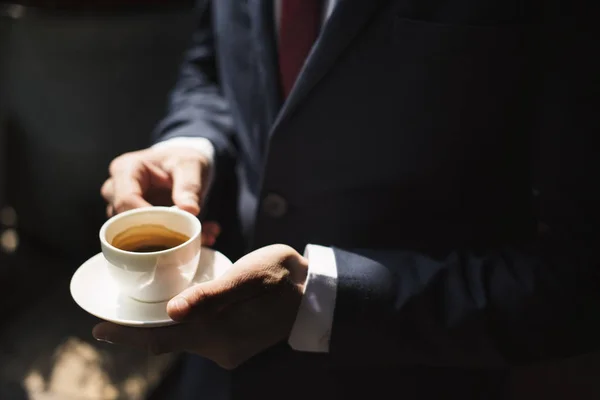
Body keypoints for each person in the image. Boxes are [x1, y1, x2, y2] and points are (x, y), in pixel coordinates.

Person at [96, 1, 599, 399]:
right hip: (213, 378)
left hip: (403, 378)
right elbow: (211, 66)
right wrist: (189, 145)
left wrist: (326, 299)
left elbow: (579, 283)